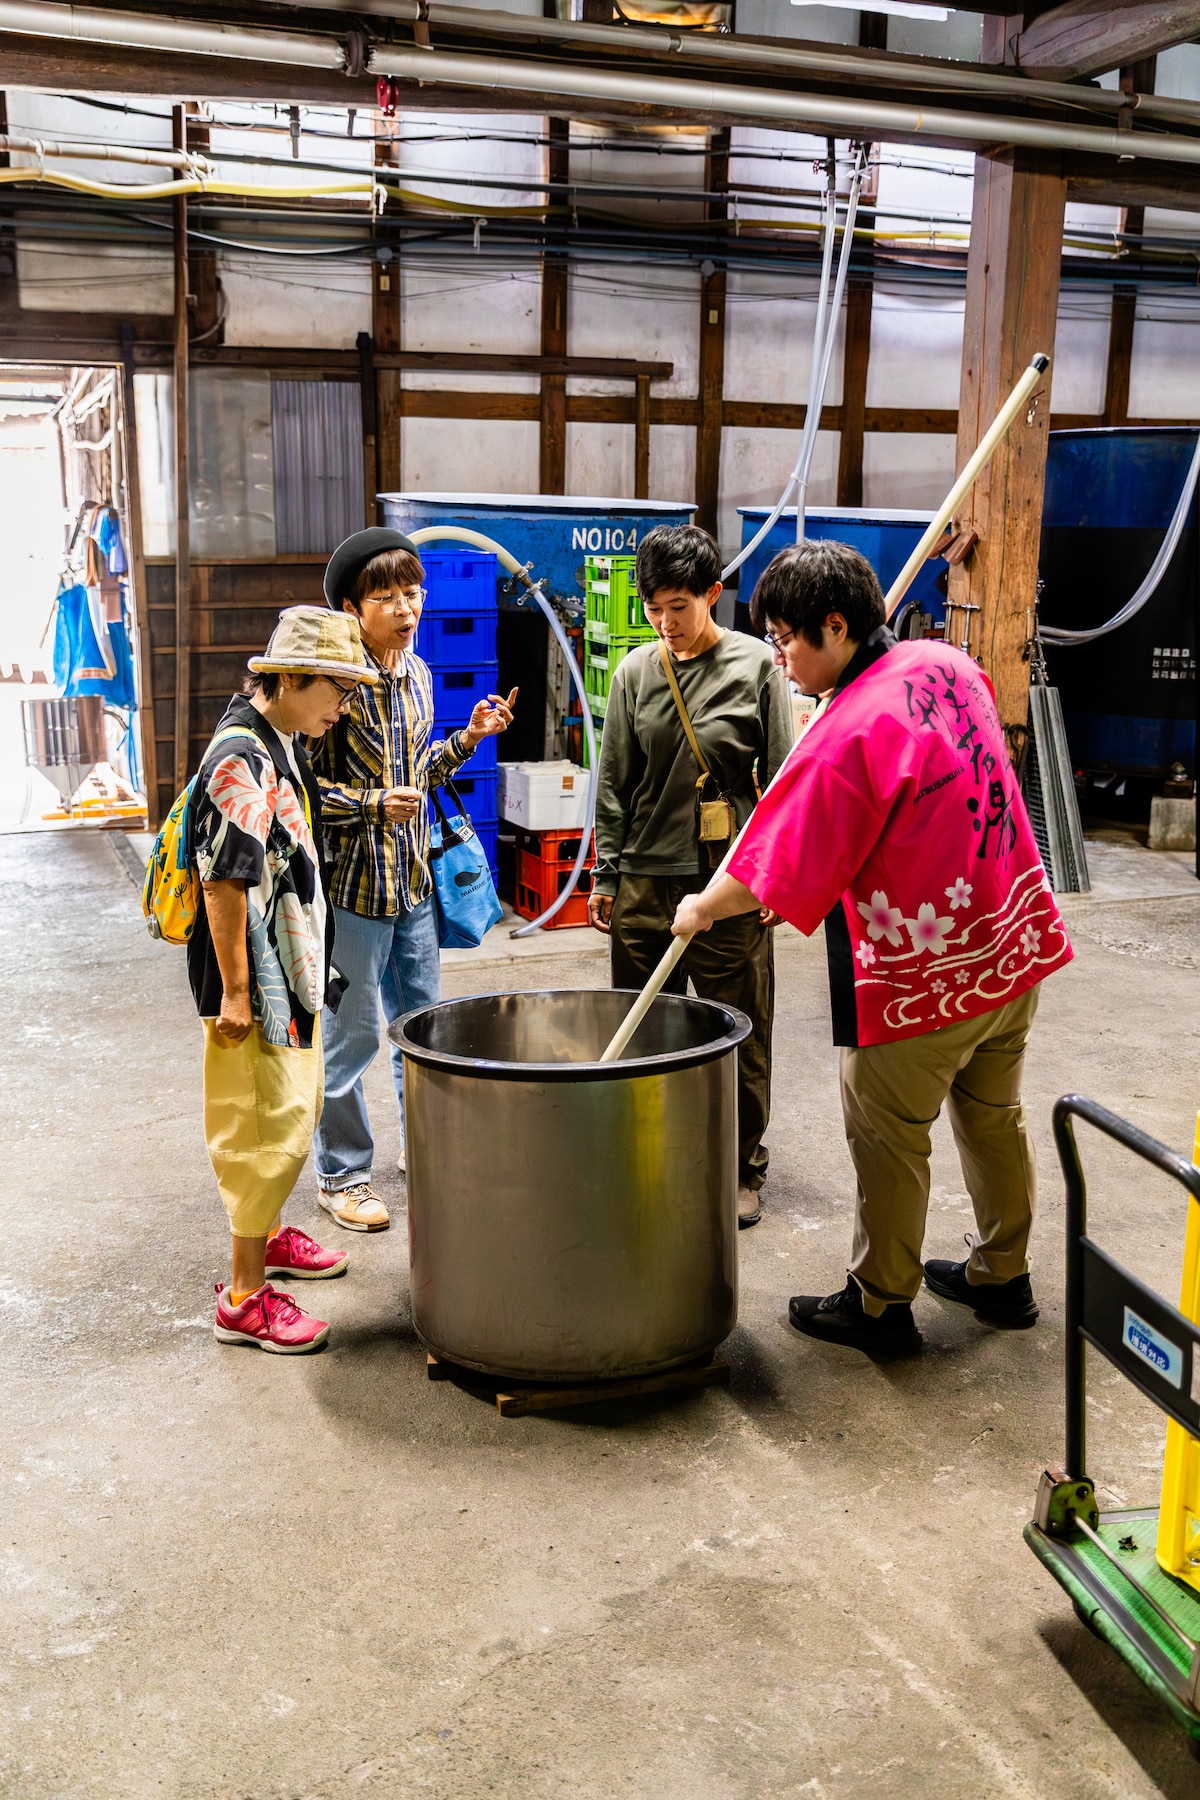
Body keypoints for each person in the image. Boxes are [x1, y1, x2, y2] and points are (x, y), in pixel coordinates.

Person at [670, 539, 1073, 1352]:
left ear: (834, 625)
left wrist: (702, 907)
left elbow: (772, 863)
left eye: (787, 639)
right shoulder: (945, 664)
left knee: (888, 1137)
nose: (779, 658)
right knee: (994, 1117)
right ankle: (1004, 1275)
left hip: (926, 978)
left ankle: (881, 1304)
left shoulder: (849, 733)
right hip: (1010, 945)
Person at [311, 527, 516, 1231]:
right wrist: (371, 803)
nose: (406, 608)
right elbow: (304, 793)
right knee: (353, 1034)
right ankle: (342, 1175)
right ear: (351, 607)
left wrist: (469, 738)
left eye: (412, 592)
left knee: (422, 1027)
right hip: (355, 891)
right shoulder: (334, 683)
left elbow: (419, 771)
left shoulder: (418, 673)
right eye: (386, 596)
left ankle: (427, 1150)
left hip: (414, 884)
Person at [589, 523, 793, 1227]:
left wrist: (774, 877)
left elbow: (784, 783)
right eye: (653, 608)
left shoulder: (758, 668)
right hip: (645, 882)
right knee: (641, 1024)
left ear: (712, 593)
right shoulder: (634, 673)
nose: (665, 622)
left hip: (725, 885)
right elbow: (614, 784)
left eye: (680, 605)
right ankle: (643, 1153)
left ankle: (740, 1167)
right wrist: (607, 877)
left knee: (740, 1028)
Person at [189, 606, 378, 1353]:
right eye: (337, 687)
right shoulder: (244, 754)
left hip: (278, 967)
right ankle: (243, 1300)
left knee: (283, 1111)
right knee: (260, 1126)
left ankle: (263, 1238)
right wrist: (237, 992)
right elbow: (223, 882)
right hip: (251, 977)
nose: (344, 705)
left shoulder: (277, 738)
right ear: (291, 677)